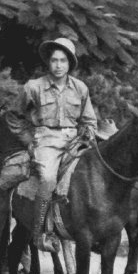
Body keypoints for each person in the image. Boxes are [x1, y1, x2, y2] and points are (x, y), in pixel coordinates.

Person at [17, 37, 98, 252]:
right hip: (47, 140)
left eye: (63, 60)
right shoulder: (33, 87)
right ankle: (40, 233)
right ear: (48, 62)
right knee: (48, 178)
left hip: (75, 140)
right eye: (54, 60)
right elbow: (15, 117)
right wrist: (29, 140)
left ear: (70, 63)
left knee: (94, 174)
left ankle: (93, 227)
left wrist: (88, 133)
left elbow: (89, 120)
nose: (58, 65)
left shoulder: (80, 88)